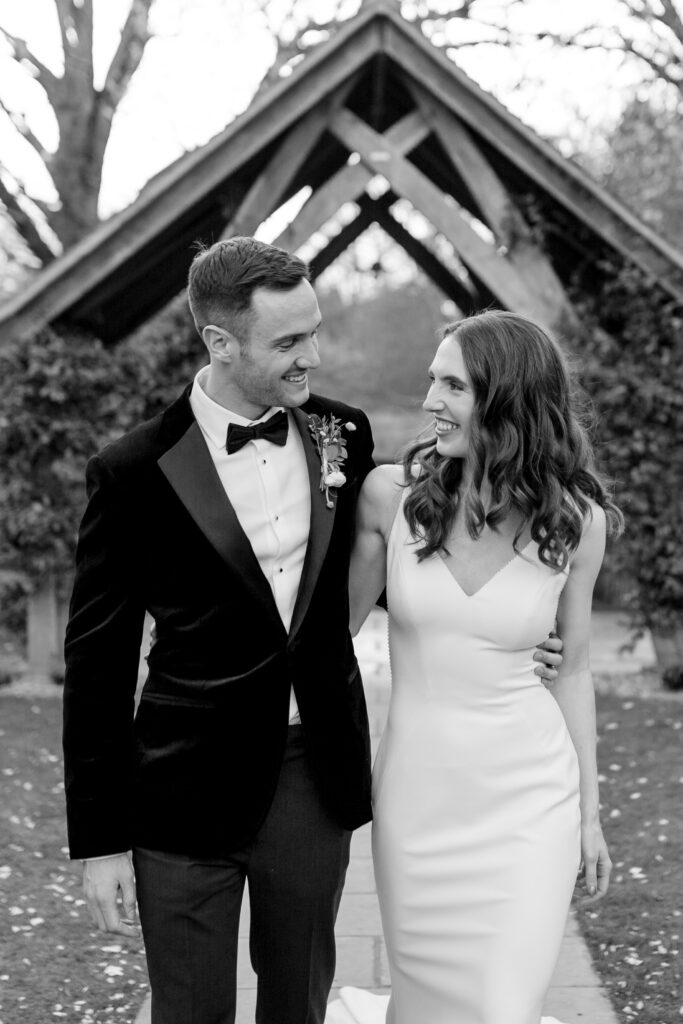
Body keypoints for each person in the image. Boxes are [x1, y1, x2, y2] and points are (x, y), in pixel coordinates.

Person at [62, 239, 562, 1024]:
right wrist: (98, 843)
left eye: (315, 331)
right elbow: (95, 662)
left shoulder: (344, 435)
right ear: (219, 342)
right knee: (187, 1011)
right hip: (179, 788)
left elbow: (407, 558)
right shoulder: (131, 472)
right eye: (289, 341)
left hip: (311, 778)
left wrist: (505, 626)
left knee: (298, 1003)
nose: (313, 357)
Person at [347, 310, 623, 1024]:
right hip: (417, 801)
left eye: (452, 386)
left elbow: (573, 668)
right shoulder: (389, 501)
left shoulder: (575, 522)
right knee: (425, 1008)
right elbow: (327, 635)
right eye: (430, 381)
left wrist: (589, 818)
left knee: (504, 1008)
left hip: (530, 800)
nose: (430, 401)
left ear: (508, 400)